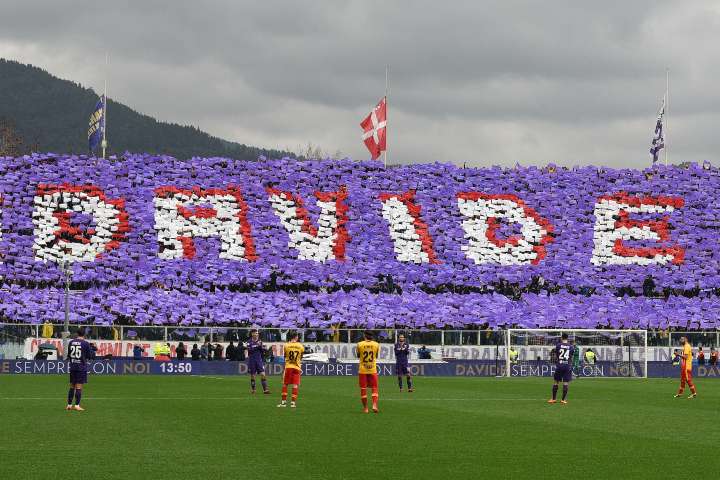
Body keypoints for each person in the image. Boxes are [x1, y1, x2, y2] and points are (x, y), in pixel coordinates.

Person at [66, 328, 91, 412]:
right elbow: (89, 356)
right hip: (81, 367)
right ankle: (77, 405)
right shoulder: (86, 343)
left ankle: (69, 405)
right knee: (79, 386)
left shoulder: (71, 342)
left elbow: (69, 355)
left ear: (77, 334)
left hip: (73, 366)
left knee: (72, 386)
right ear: (84, 334)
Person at [277, 331, 305, 408]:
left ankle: (283, 403)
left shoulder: (286, 345)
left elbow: (285, 356)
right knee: (295, 385)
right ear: (296, 337)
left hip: (289, 366)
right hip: (297, 367)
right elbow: (301, 356)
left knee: (285, 384)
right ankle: (293, 403)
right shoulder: (300, 346)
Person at [356, 330, 380, 413]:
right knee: (374, 388)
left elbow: (358, 355)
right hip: (372, 369)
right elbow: (376, 356)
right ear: (372, 336)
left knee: (363, 389)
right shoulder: (376, 344)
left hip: (363, 370)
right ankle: (374, 405)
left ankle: (366, 408)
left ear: (364, 335)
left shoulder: (359, 344)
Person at [548, 333, 574, 405]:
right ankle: (563, 400)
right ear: (567, 338)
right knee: (565, 382)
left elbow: (557, 354)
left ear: (561, 338)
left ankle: (553, 399)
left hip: (560, 365)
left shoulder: (558, 345)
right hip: (567, 366)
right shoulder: (571, 346)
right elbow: (571, 355)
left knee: (556, 381)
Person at [246, 330, 270, 394]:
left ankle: (265, 390)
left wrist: (263, 348)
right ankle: (253, 389)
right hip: (252, 360)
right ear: (252, 334)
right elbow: (250, 350)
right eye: (255, 333)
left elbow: (262, 351)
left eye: (257, 333)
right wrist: (257, 346)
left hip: (259, 360)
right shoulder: (249, 342)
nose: (257, 334)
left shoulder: (260, 341)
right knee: (253, 375)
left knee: (263, 374)